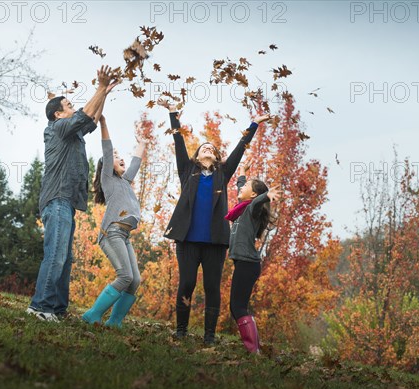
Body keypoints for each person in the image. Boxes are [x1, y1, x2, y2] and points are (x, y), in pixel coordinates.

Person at [157, 98, 270, 344]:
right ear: (197, 155)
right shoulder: (188, 170)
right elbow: (178, 142)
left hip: (215, 242)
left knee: (211, 287)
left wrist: (254, 125)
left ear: (217, 156)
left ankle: (209, 335)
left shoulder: (222, 173)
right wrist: (173, 113)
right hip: (187, 239)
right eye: (203, 147)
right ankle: (181, 331)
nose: (207, 149)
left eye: (212, 148)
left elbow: (240, 149)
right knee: (186, 283)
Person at [26, 66, 119, 322]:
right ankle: (40, 307)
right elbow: (84, 115)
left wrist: (105, 94)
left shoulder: (72, 133)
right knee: (55, 255)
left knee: (65, 259)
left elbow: (91, 118)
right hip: (56, 199)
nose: (73, 107)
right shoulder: (57, 128)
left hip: (65, 202)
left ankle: (56, 308)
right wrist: (99, 87)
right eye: (68, 105)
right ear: (58, 114)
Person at [82, 115, 148, 327]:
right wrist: (103, 123)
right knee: (125, 276)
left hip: (124, 236)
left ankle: (114, 321)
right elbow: (107, 148)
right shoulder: (108, 180)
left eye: (121, 156)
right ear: (106, 165)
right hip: (111, 233)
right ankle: (92, 315)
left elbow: (136, 162)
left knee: (134, 280)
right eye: (115, 157)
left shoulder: (125, 181)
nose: (120, 158)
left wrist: (143, 143)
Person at [226, 161, 280, 353]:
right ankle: (253, 348)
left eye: (248, 187)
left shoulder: (252, 209)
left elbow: (257, 201)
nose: (242, 188)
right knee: (237, 307)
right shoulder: (241, 209)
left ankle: (253, 350)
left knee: (238, 307)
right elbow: (241, 187)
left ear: (255, 195)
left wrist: (266, 196)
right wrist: (242, 173)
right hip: (244, 264)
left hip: (248, 264)